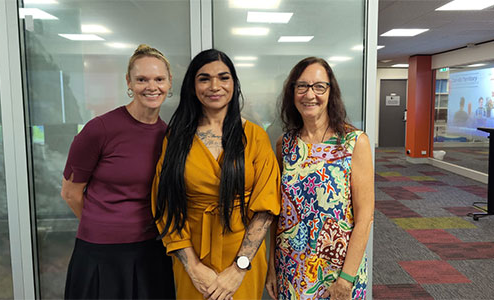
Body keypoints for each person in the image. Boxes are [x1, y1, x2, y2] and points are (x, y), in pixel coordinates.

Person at [151, 49, 281, 300]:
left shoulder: (254, 136)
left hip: (243, 257)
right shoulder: (176, 138)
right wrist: (194, 268)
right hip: (192, 252)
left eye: (223, 77)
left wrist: (238, 268)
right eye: (204, 78)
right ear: (192, 86)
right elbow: (164, 204)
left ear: (234, 83)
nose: (214, 86)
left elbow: (266, 208)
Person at [61, 44, 175, 299]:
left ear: (169, 83)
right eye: (142, 79)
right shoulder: (99, 130)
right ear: (129, 82)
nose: (151, 86)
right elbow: (70, 193)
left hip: (151, 251)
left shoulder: (169, 135)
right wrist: (102, 224)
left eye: (159, 79)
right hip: (101, 254)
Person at [266, 57, 374, 300]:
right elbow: (278, 215)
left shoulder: (354, 142)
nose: (310, 94)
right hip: (291, 268)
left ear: (330, 92)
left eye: (319, 86)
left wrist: (346, 279)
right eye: (302, 86)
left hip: (338, 271)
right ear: (292, 92)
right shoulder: (285, 145)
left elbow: (365, 217)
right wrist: (272, 267)